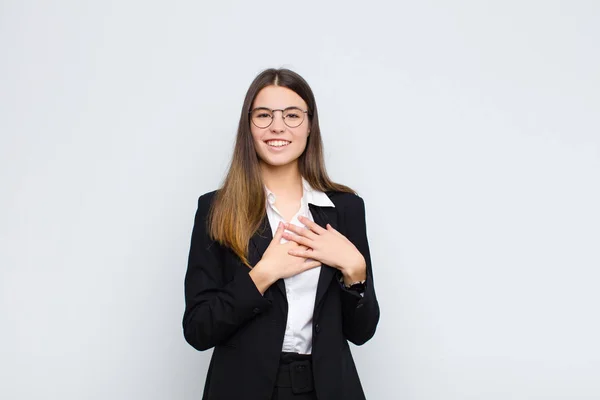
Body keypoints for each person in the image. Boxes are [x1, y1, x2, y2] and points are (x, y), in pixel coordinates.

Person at [182, 68, 380, 400]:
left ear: (309, 125)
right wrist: (264, 274)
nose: (278, 126)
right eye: (264, 115)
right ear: (249, 126)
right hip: (241, 389)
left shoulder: (345, 209)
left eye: (291, 115)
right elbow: (198, 329)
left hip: (326, 388)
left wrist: (355, 273)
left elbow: (361, 332)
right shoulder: (216, 209)